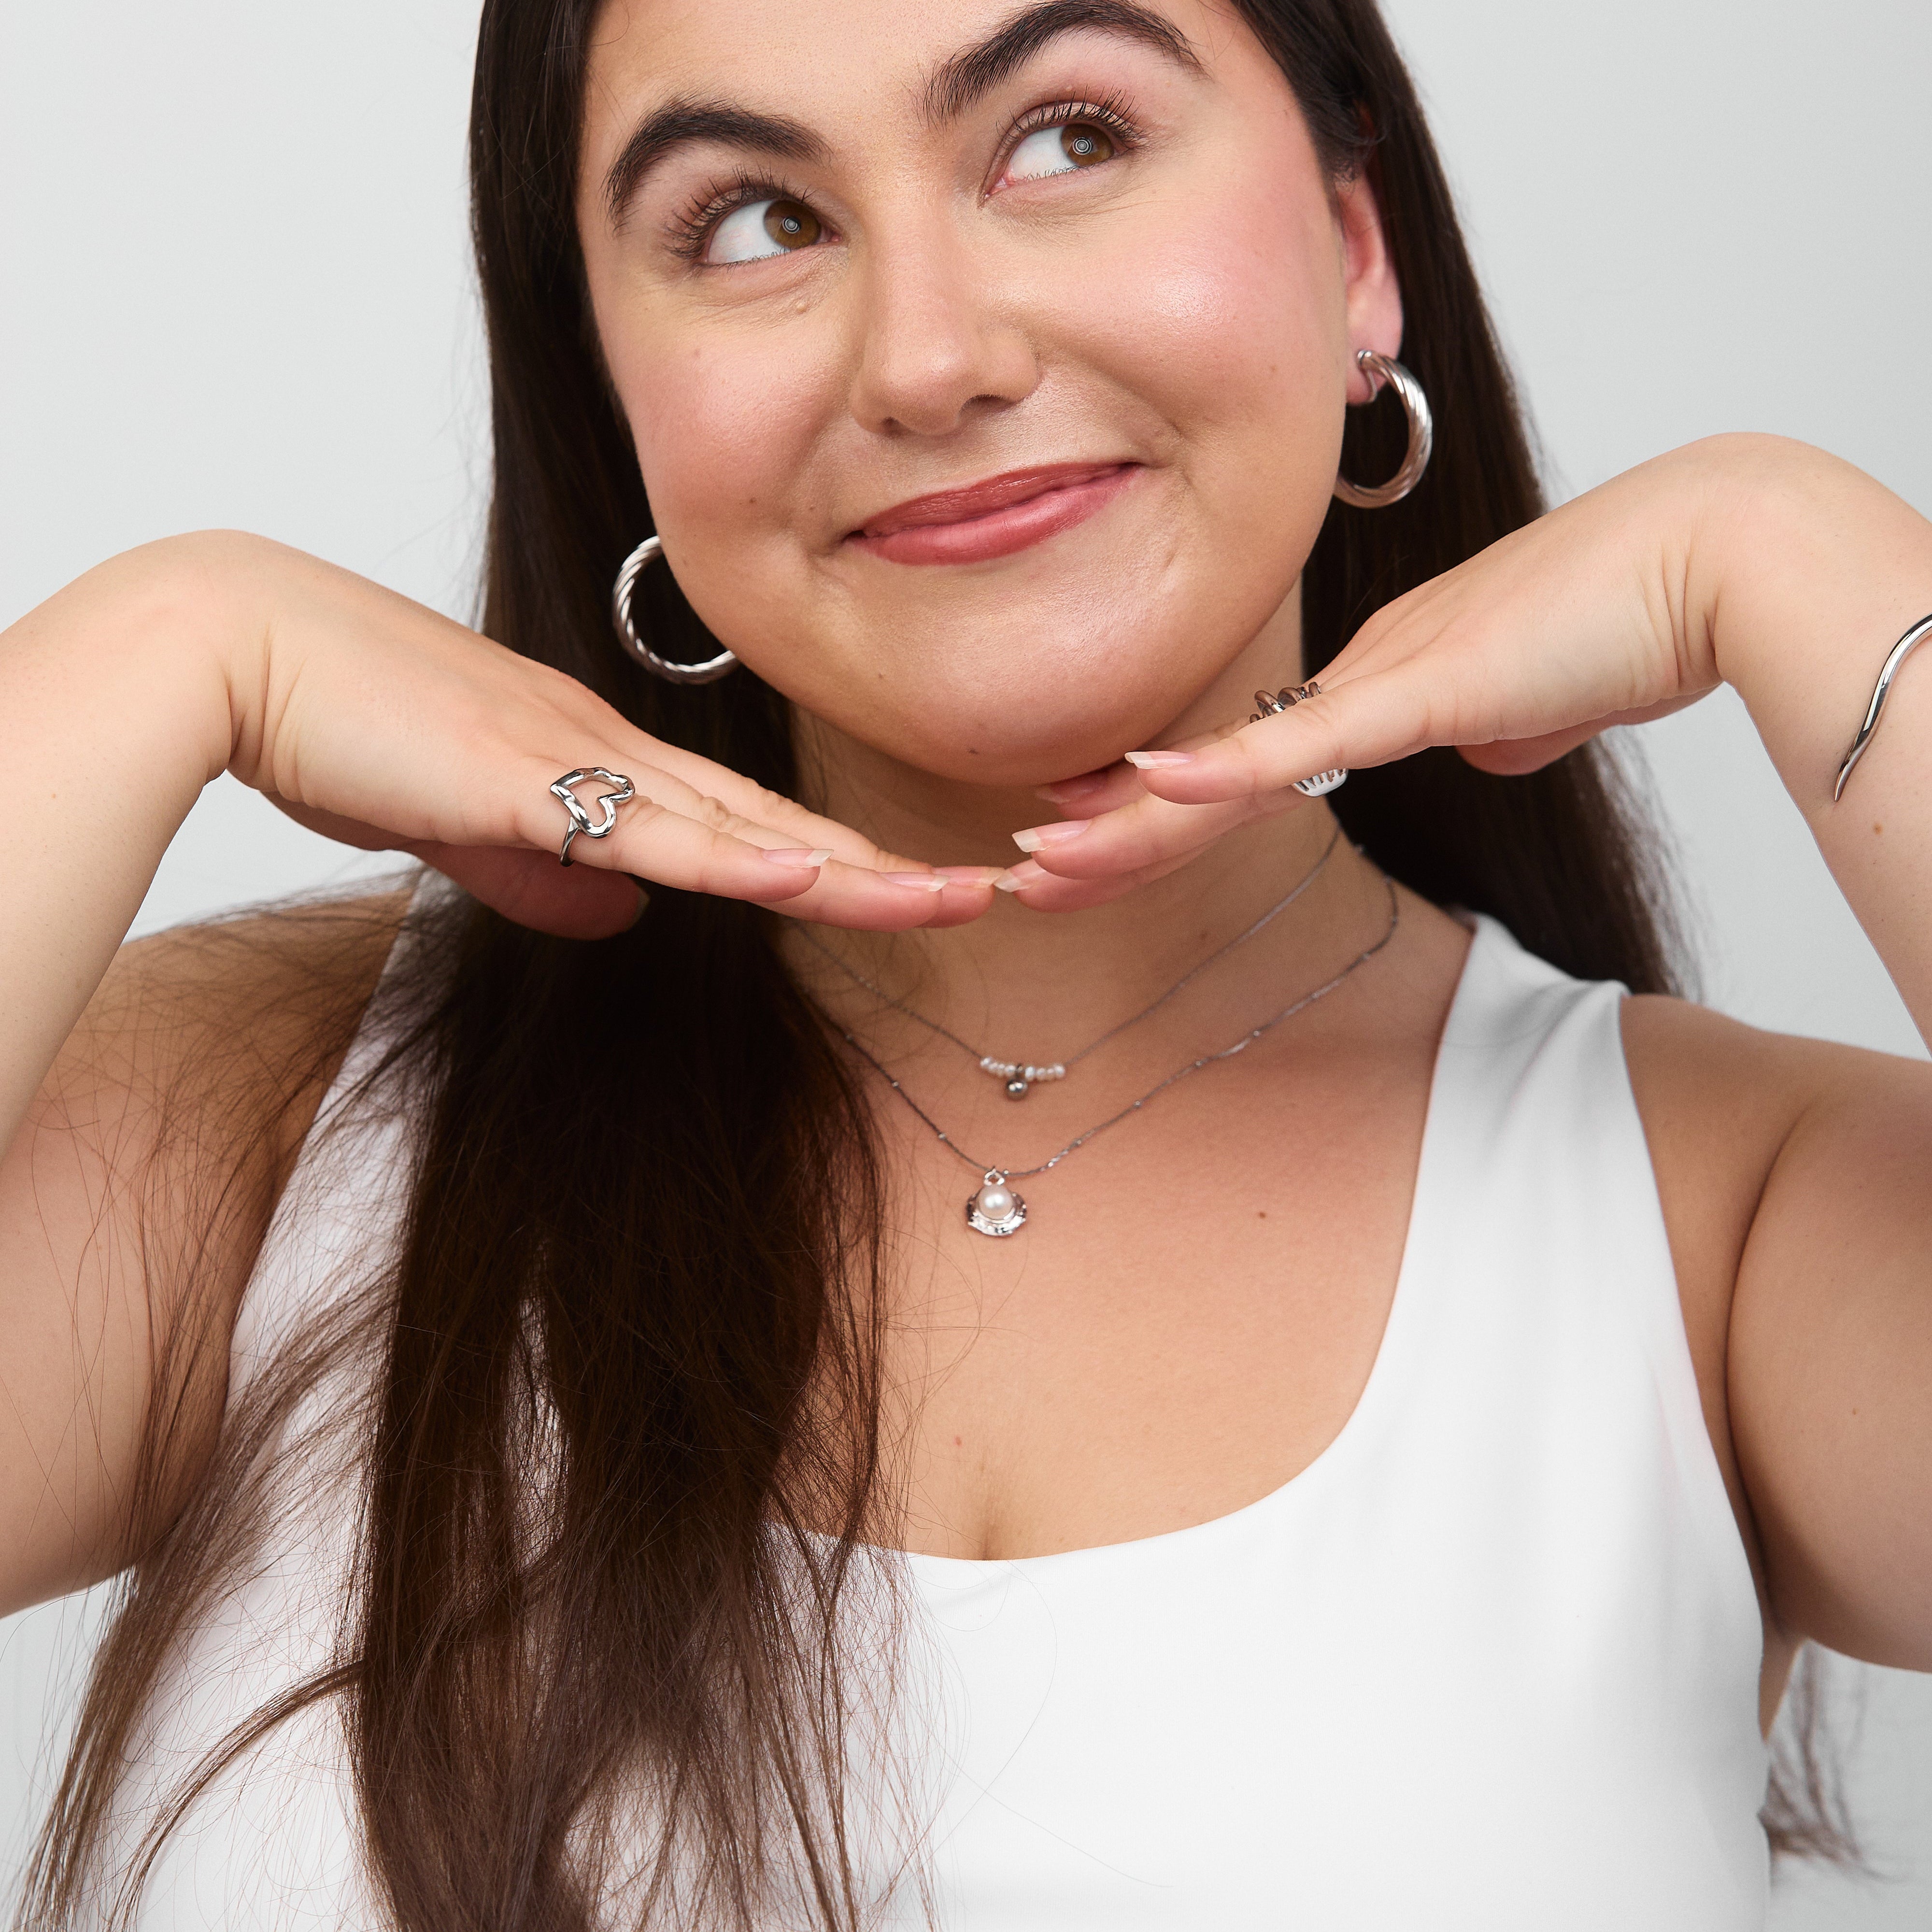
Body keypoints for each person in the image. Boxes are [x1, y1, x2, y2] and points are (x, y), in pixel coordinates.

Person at [5, 0, 1930, 1924]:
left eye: (1067, 137)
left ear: (1357, 249)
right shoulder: (280, 1125)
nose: (930, 357)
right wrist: (156, 647)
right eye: (753, 218)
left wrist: (1799, 555)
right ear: (608, 380)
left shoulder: (1718, 1224)